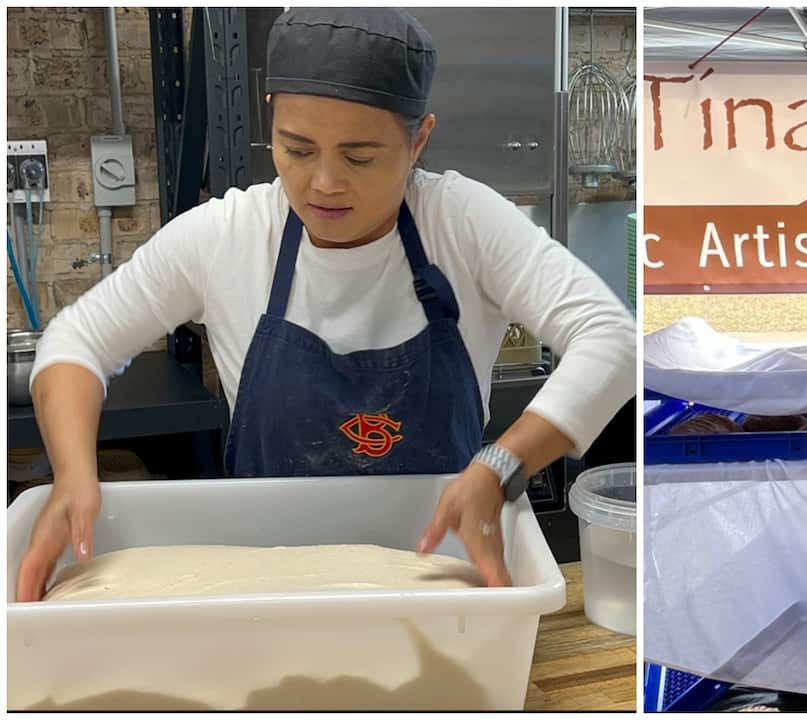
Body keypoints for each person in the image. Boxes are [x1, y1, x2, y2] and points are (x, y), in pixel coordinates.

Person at [17, 8, 636, 601]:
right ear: (269, 123)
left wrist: (502, 462)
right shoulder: (225, 237)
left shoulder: (463, 223)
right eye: (298, 149)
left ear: (419, 140)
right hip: (267, 583)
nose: (325, 184)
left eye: (360, 157)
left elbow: (612, 339)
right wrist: (73, 475)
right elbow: (77, 341)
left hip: (439, 570)